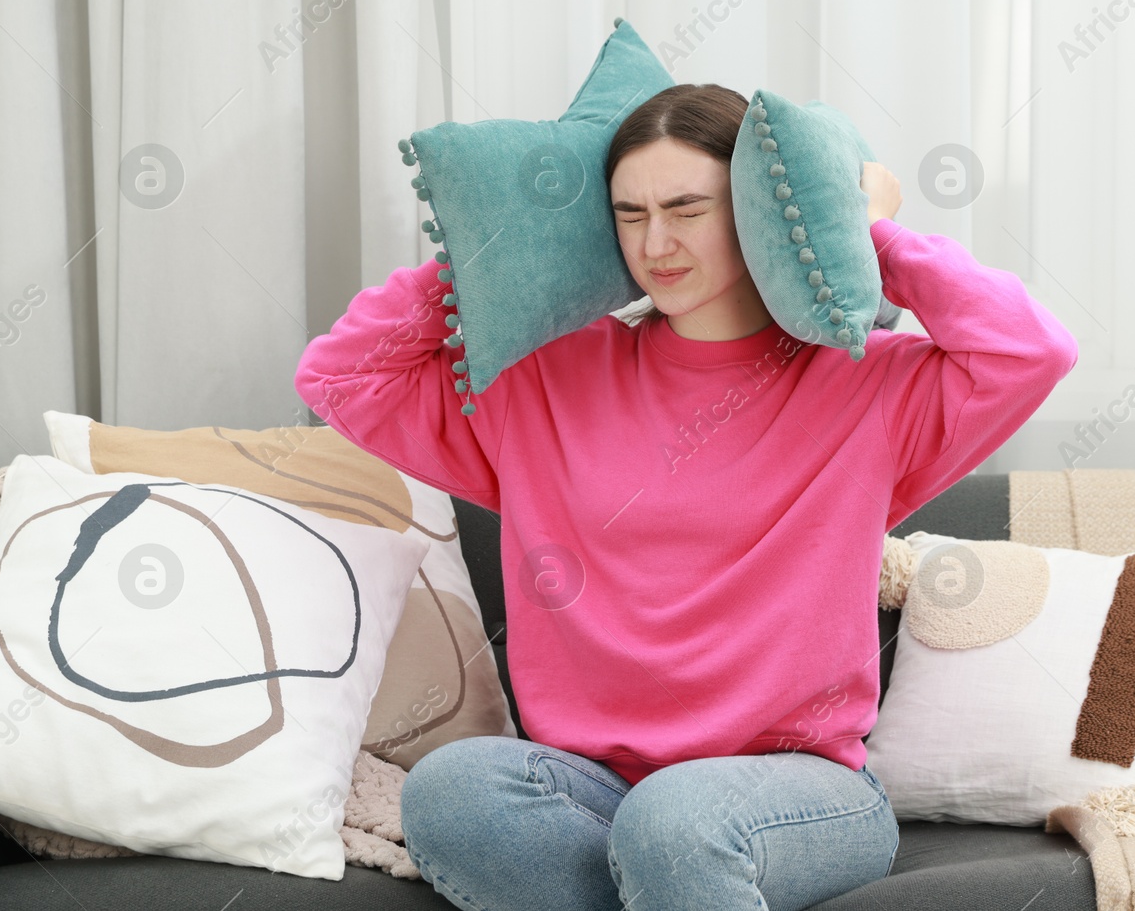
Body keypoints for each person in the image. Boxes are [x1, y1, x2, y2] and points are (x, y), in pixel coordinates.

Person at [293, 82, 1079, 911]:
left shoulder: (868, 382)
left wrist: (864, 229)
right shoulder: (548, 376)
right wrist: (496, 247)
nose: (655, 243)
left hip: (798, 791)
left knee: (674, 825)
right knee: (452, 789)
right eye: (629, 214)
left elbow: (1031, 350)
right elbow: (340, 377)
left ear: (752, 212)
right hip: (591, 789)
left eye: (686, 208)